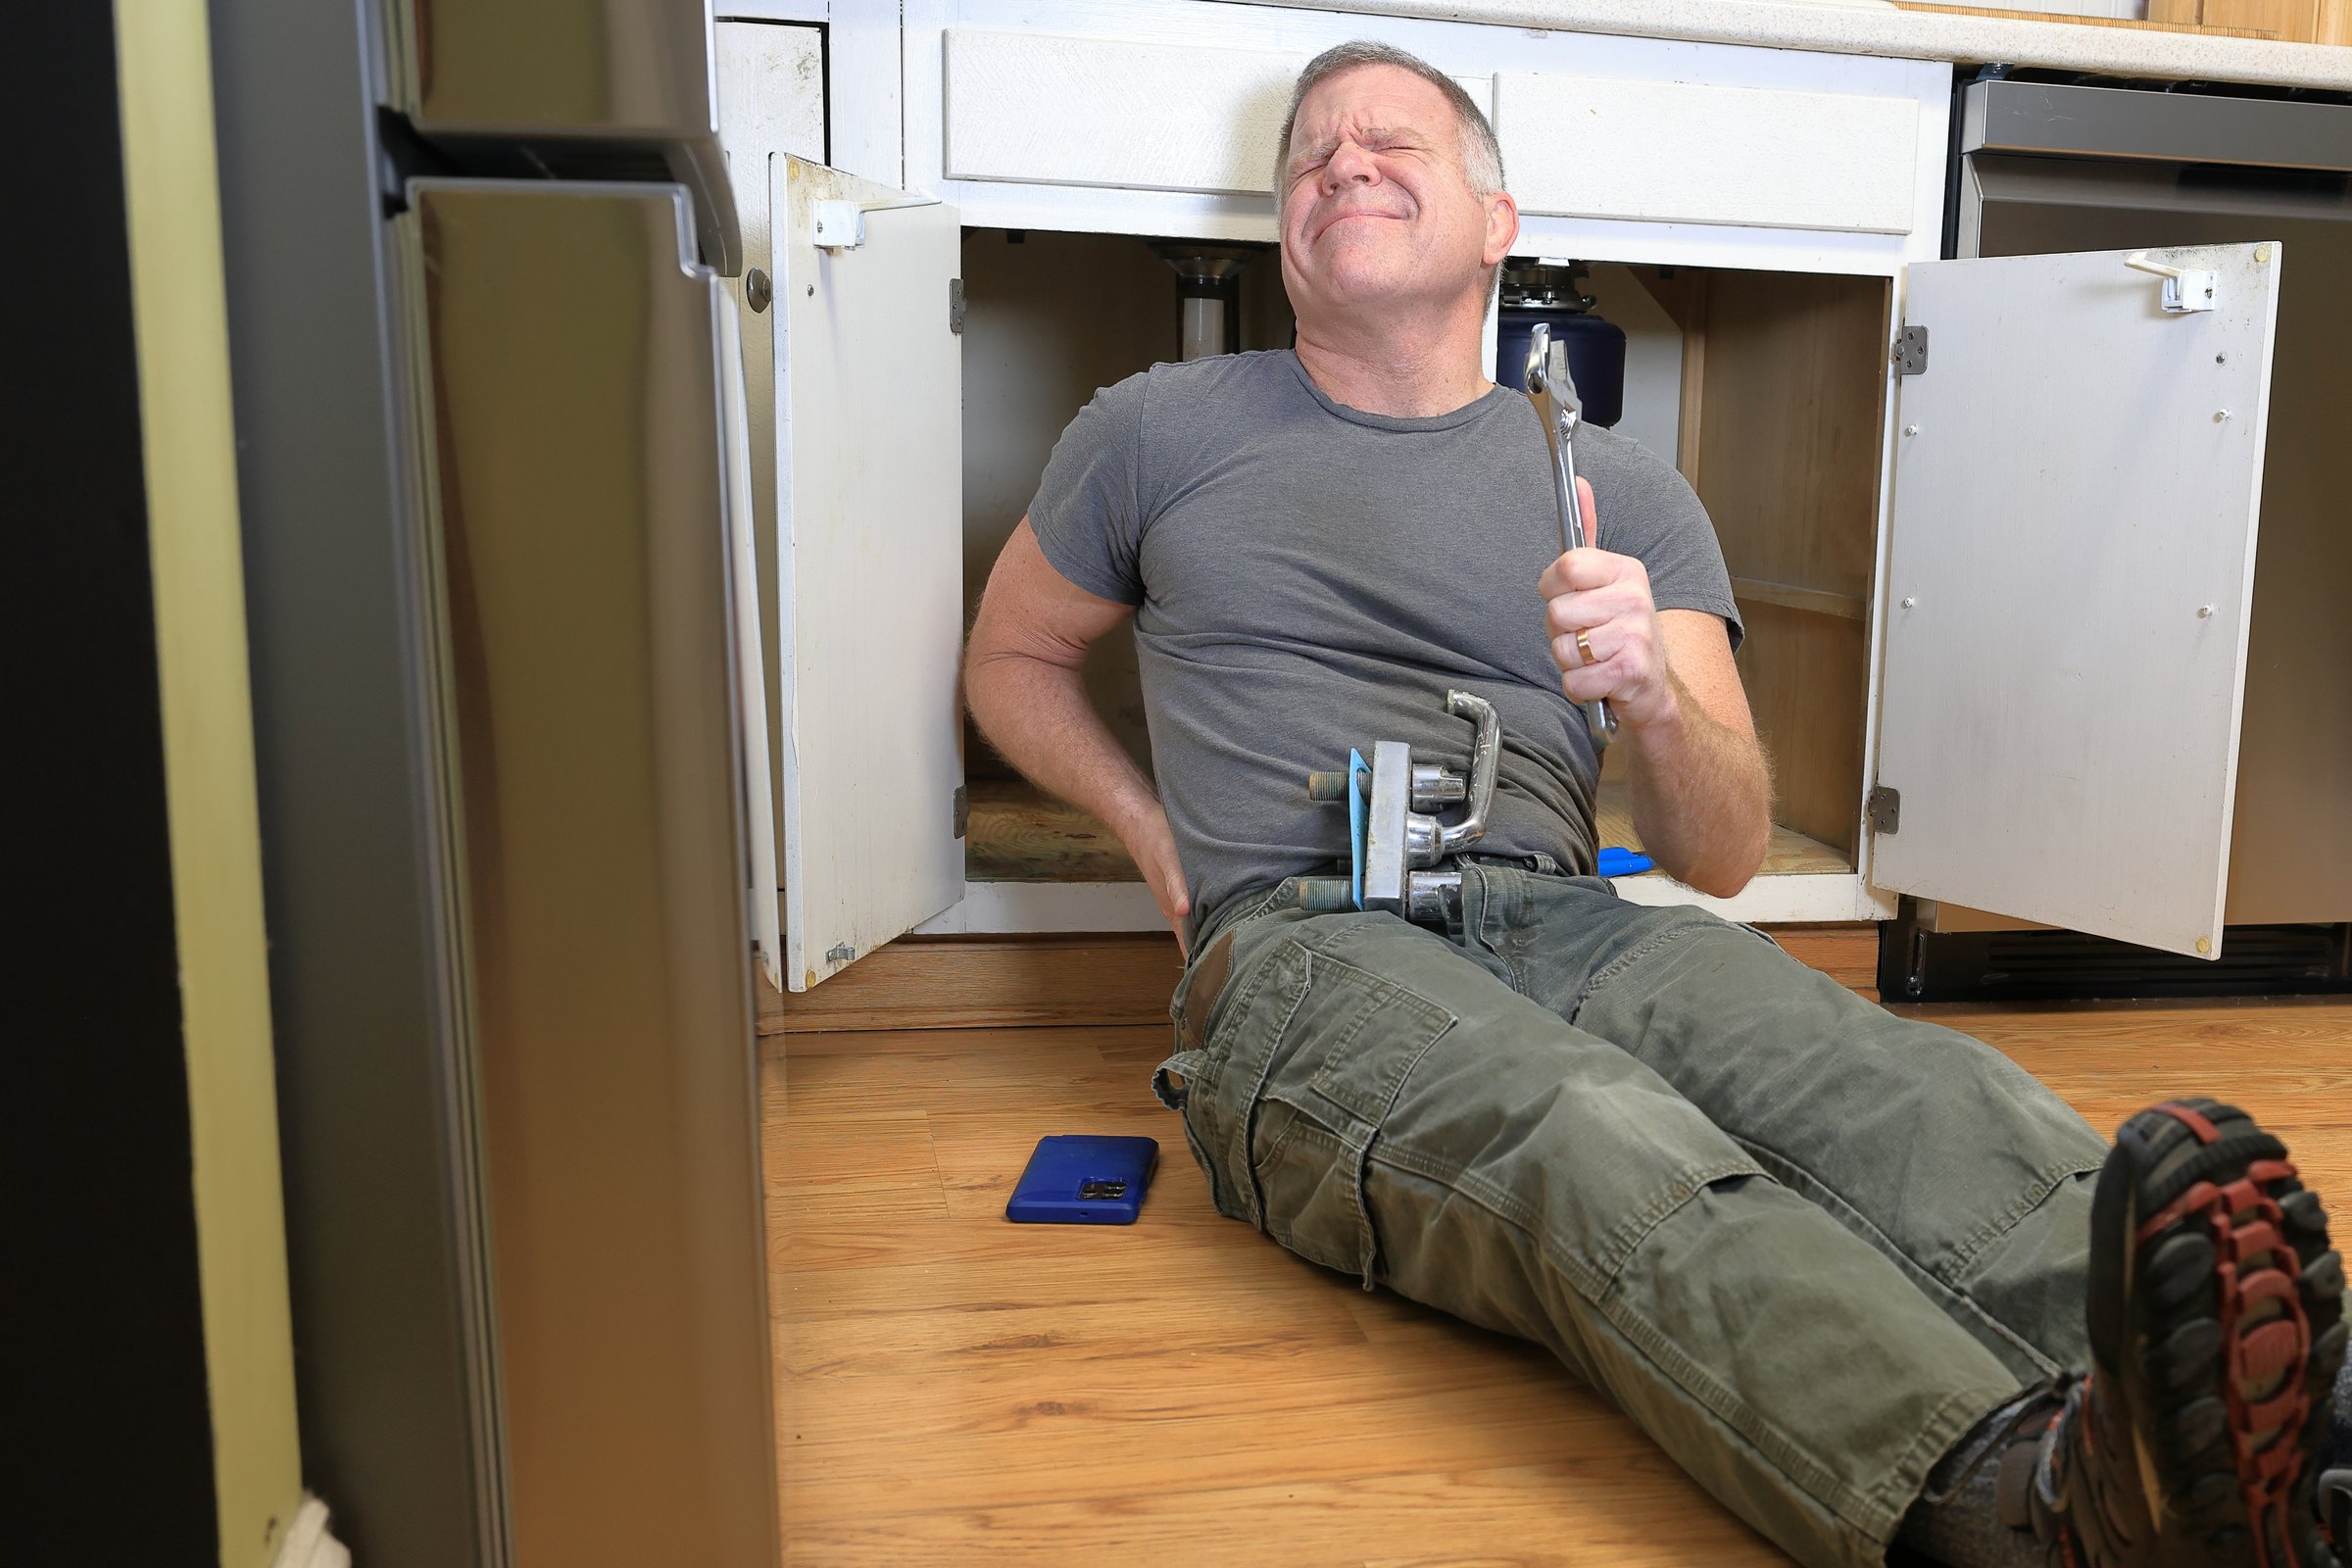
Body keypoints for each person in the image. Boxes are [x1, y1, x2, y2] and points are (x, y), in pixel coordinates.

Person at [960, 38, 2347, 1568]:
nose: (1342, 162)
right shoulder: (1155, 429)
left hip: (1567, 916)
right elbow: (1011, 659)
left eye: (1392, 143)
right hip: (1304, 942)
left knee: (1880, 1081)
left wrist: (1653, 697)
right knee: (1586, 1126)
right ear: (1283, 228)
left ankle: (2284, 1431)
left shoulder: (1619, 491)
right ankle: (2026, 1509)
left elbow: (1724, 851)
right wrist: (1153, 834)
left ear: (1499, 222)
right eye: (1310, 153)